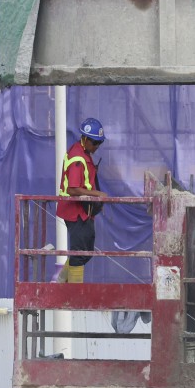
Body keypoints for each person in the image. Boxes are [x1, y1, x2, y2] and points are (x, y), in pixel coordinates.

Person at [56, 118, 107, 283]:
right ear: (85, 139)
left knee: (87, 250)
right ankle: (74, 290)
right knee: (79, 252)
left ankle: (62, 280)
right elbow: (72, 189)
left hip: (84, 211)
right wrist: (97, 194)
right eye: (95, 142)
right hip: (74, 211)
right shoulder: (78, 157)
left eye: (100, 143)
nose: (97, 146)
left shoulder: (83, 153)